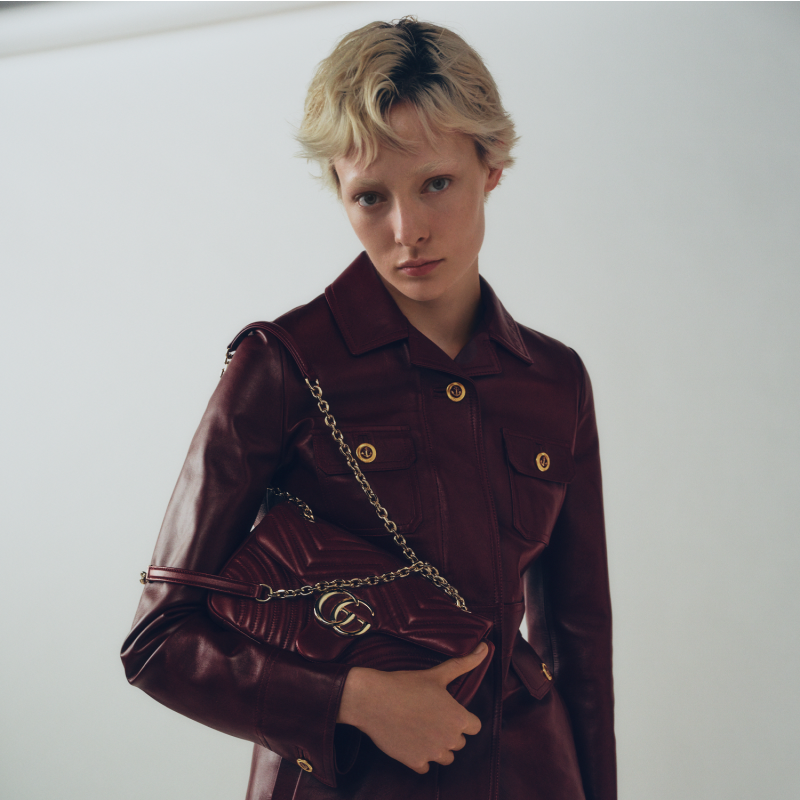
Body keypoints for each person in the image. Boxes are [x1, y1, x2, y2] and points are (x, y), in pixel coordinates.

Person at [122, 17, 616, 800]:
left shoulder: (556, 379)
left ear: (491, 167)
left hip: (530, 773)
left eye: (436, 184)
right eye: (370, 197)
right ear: (339, 189)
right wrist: (354, 701)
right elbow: (159, 639)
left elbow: (580, 646)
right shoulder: (282, 365)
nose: (406, 231)